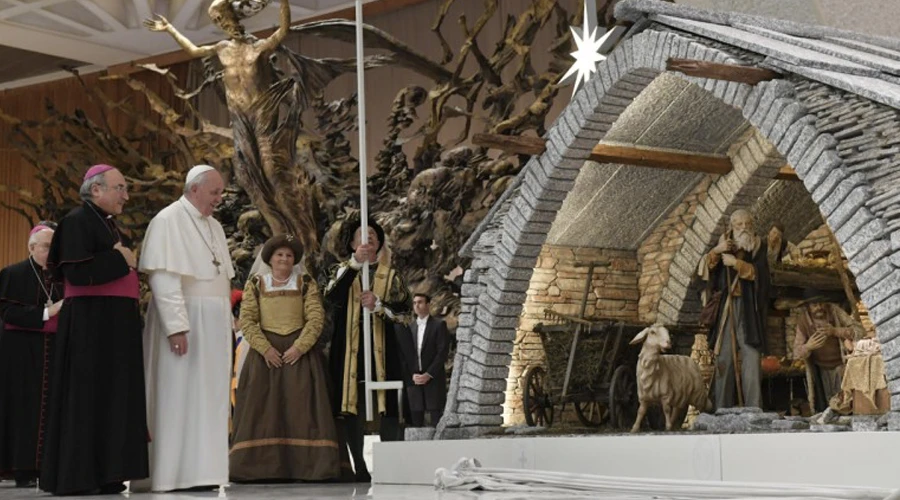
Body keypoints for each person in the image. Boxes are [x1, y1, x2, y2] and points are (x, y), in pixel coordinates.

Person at [40, 165, 148, 495]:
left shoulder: (108, 224)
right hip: (89, 325)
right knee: (85, 399)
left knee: (112, 399)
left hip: (113, 326)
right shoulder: (76, 222)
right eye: (120, 188)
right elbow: (77, 275)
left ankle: (108, 473)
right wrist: (123, 260)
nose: (126, 196)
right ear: (96, 189)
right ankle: (80, 475)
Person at [138, 165, 234, 492]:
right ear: (194, 190)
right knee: (177, 396)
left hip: (213, 325)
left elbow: (221, 278)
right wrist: (176, 326)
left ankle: (203, 472)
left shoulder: (215, 227)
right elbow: (164, 279)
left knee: (210, 399)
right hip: (185, 324)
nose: (219, 199)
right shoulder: (167, 221)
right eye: (214, 193)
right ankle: (171, 474)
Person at [230, 234, 339, 481]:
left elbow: (315, 317)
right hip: (265, 355)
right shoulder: (257, 284)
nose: (284, 259)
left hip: (299, 355)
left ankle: (307, 467)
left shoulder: (306, 283)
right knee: (263, 409)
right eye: (280, 254)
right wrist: (264, 348)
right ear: (270, 258)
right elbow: (247, 319)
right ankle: (260, 468)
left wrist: (300, 347)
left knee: (302, 406)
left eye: (289, 255)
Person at [325, 215, 411, 482]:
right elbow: (331, 298)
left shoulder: (391, 276)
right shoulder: (341, 271)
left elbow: (405, 313)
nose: (368, 239)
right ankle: (359, 465)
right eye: (362, 236)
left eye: (373, 236)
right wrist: (354, 265)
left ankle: (387, 464)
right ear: (352, 244)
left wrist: (378, 305)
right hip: (349, 347)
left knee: (387, 404)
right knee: (351, 404)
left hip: (383, 347)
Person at [0, 223, 63, 488]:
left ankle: (47, 468)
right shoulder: (12, 274)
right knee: (22, 410)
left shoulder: (62, 276)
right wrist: (47, 313)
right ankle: (21, 468)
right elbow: (6, 312)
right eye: (46, 246)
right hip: (20, 354)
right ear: (32, 247)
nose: (50, 252)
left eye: (54, 247)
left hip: (54, 353)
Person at [697, 209, 771, 410]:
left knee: (752, 356)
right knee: (724, 357)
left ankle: (754, 407)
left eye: (747, 224)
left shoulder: (758, 246)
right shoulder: (724, 244)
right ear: (732, 226)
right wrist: (718, 250)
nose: (744, 228)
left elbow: (762, 276)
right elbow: (705, 269)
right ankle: (722, 407)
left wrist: (736, 264)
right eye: (739, 225)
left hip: (749, 309)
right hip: (727, 307)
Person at [793, 289, 864, 413]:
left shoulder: (834, 311)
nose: (819, 307)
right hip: (821, 370)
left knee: (846, 402)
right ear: (808, 307)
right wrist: (808, 346)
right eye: (814, 305)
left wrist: (835, 331)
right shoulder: (803, 321)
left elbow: (860, 331)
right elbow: (796, 353)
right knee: (828, 405)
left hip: (842, 366)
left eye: (821, 303)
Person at [396, 293, 449, 428]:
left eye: (420, 302)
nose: (416, 306)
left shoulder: (439, 325)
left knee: (436, 417)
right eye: (414, 303)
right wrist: (412, 374)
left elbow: (442, 353)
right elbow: (405, 355)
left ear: (428, 304)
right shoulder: (410, 328)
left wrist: (428, 374)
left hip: (433, 378)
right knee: (416, 420)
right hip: (414, 379)